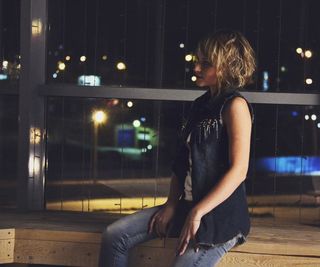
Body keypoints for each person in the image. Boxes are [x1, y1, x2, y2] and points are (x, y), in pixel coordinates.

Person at [98, 30, 256, 267]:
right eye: (196, 61)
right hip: (188, 207)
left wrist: (197, 212)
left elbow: (239, 171)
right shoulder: (199, 106)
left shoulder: (236, 106)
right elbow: (181, 163)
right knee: (114, 236)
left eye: (205, 63)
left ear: (225, 67)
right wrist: (172, 204)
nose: (196, 68)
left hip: (221, 217)